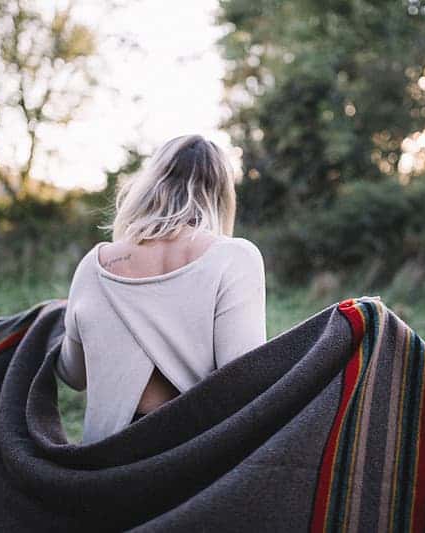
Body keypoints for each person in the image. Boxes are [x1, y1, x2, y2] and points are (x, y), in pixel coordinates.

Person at [54, 134, 267, 444]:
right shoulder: (234, 257)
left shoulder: (94, 265)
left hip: (103, 467)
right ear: (222, 193)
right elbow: (245, 381)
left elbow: (73, 375)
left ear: (150, 183)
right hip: (190, 461)